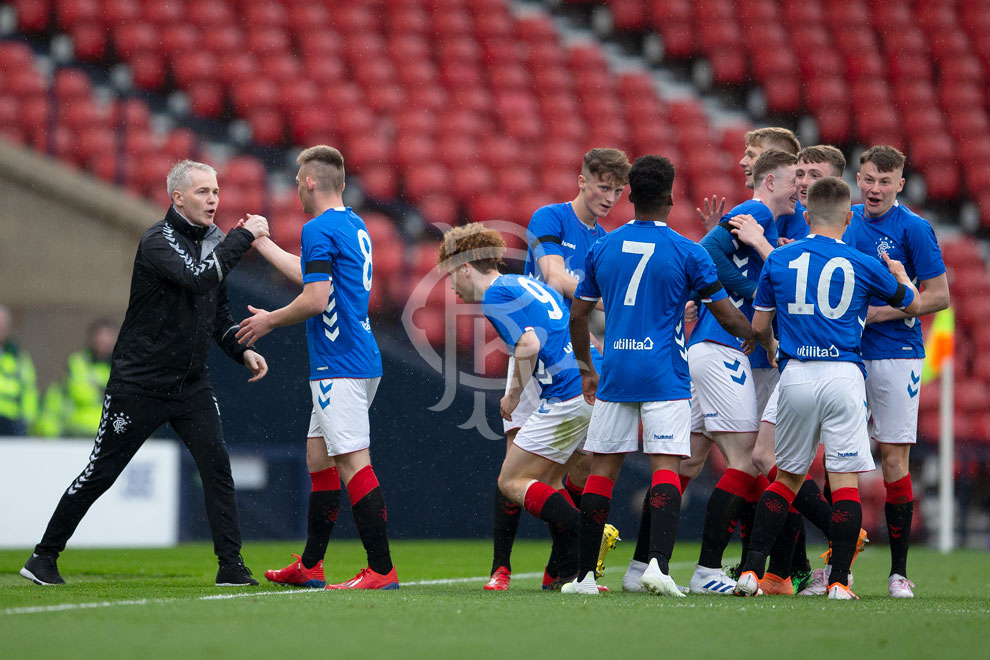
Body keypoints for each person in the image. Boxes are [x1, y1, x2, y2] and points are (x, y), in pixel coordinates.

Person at [21, 160, 270, 587]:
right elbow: (195, 280)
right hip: (140, 384)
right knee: (101, 472)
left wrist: (240, 349)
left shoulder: (213, 243)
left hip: (190, 385)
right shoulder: (157, 240)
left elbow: (218, 316)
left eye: (216, 191)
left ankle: (231, 566)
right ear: (177, 198)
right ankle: (43, 558)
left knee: (217, 467)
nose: (214, 199)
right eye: (203, 192)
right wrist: (243, 238)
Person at [561, 155, 755, 596]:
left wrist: (585, 368)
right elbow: (727, 316)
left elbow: (577, 316)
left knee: (602, 471)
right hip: (664, 371)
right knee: (666, 467)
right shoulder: (689, 252)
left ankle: (585, 576)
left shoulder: (603, 248)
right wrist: (759, 337)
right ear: (670, 196)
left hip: (616, 371)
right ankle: (658, 567)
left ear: (630, 195)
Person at [734, 176, 920, 600]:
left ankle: (749, 572)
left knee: (786, 480)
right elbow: (909, 301)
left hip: (796, 373)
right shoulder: (860, 261)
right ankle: (838, 581)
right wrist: (901, 275)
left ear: (806, 214)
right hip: (843, 375)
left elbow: (760, 326)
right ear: (849, 216)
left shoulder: (780, 261)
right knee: (845, 483)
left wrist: (774, 341)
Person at [237, 145, 397, 590]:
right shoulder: (353, 224)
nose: (295, 190)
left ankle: (381, 569)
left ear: (309, 181)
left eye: (296, 182)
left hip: (338, 361)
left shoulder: (317, 227)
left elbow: (316, 298)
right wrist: (263, 242)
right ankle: (311, 565)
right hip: (358, 356)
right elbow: (313, 276)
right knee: (318, 456)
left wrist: (269, 319)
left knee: (352, 462)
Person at [488, 148, 630, 591]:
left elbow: (589, 312)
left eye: (617, 190)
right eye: (602, 186)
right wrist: (611, 299)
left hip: (575, 361)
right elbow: (552, 277)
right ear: (582, 180)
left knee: (579, 467)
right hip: (534, 354)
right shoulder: (549, 218)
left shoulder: (604, 239)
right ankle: (501, 567)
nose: (609, 197)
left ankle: (560, 567)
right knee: (516, 462)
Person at [437, 222, 600, 591]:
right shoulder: (530, 286)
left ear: (464, 267)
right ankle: (575, 575)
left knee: (510, 482)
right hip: (591, 391)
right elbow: (579, 331)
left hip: (567, 395)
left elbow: (527, 345)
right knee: (553, 481)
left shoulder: (496, 295)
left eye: (450, 275)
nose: (450, 286)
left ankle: (588, 532)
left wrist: (512, 395)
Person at [677, 150, 797, 595]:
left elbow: (711, 254)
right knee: (750, 459)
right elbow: (705, 251)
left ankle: (644, 563)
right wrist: (752, 292)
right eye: (793, 180)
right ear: (769, 182)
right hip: (725, 348)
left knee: (686, 461)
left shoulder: (778, 222)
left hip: (714, 350)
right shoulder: (757, 211)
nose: (799, 189)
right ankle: (711, 570)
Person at [737, 144, 850, 596]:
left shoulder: (842, 228)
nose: (802, 181)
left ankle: (834, 557)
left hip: (827, 363)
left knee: (807, 469)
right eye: (798, 172)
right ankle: (785, 572)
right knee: (777, 462)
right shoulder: (796, 225)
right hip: (795, 362)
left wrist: (765, 248)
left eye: (812, 173)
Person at [842, 146, 950, 598]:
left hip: (896, 352)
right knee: (840, 459)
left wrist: (883, 313)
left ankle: (899, 573)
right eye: (867, 179)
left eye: (884, 182)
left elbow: (939, 296)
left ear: (900, 185)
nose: (874, 189)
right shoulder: (843, 221)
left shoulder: (915, 228)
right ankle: (838, 569)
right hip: (842, 352)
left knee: (892, 459)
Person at [35, 318, 118, 438]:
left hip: (111, 434)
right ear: (91, 338)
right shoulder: (77, 362)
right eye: (100, 336)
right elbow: (78, 392)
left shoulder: (122, 367)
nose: (103, 341)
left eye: (108, 337)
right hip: (76, 432)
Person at [0, 304, 39, 436]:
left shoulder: (19, 357)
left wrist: (26, 419)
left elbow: (29, 390)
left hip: (11, 421)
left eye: (2, 325)